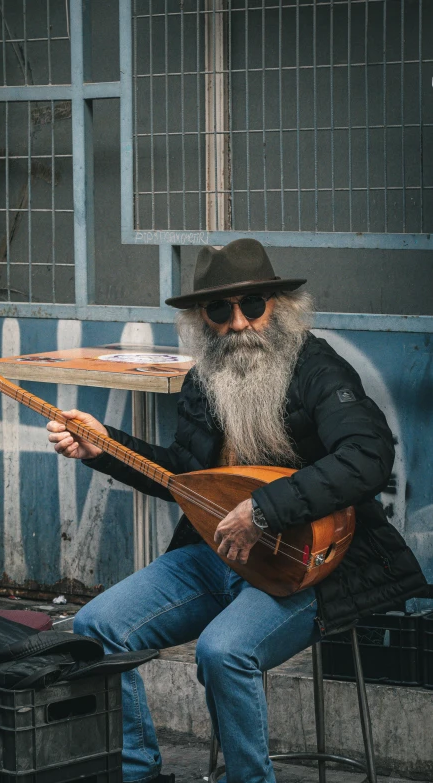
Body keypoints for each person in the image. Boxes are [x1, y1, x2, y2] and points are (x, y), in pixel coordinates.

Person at [47, 239, 426, 783]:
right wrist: (106, 447)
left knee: (223, 652)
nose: (237, 324)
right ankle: (137, 773)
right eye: (220, 310)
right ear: (203, 318)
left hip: (309, 563)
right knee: (97, 626)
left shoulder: (318, 368)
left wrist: (264, 511)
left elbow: (367, 457)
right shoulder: (204, 379)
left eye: (252, 305)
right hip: (216, 554)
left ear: (278, 306)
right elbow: (186, 476)